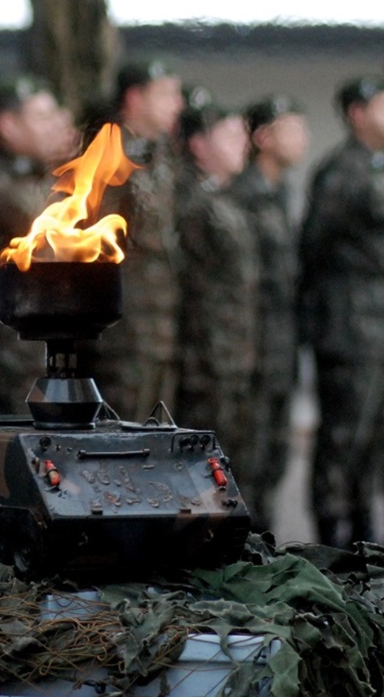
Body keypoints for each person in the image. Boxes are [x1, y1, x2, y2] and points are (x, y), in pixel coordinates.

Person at [298, 75, 384, 549]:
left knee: (377, 434)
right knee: (343, 436)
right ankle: (331, 535)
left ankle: (365, 532)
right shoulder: (340, 172)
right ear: (357, 115)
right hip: (350, 325)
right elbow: (315, 245)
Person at [78, 58, 184, 421]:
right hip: (124, 333)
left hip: (160, 330)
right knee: (118, 438)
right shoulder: (110, 156)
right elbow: (92, 241)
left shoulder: (164, 157)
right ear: (135, 98)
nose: (177, 104)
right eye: (166, 94)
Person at [174, 100, 259, 502]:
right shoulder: (191, 203)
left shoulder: (228, 199)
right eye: (230, 134)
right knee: (203, 467)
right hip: (204, 356)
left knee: (233, 457)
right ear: (199, 144)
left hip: (231, 350)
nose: (242, 143)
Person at [233, 95, 309, 533]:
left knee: (277, 449)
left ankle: (266, 535)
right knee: (251, 448)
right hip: (255, 342)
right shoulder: (245, 196)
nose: (302, 139)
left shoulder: (280, 193)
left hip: (283, 339)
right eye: (291, 128)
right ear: (263, 137)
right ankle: (247, 537)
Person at [0, 76, 68, 413]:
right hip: (5, 350)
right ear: (8, 125)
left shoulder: (41, 179)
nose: (55, 127)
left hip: (37, 346)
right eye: (42, 117)